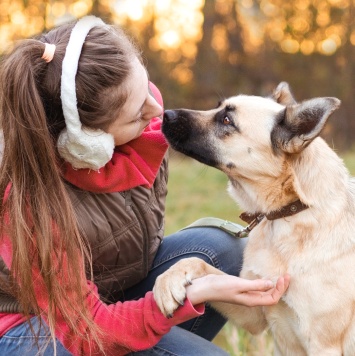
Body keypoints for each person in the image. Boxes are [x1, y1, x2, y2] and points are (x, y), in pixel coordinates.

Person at [0, 16, 289, 356]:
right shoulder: (25, 199)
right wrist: (193, 292)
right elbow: (89, 331)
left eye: (147, 86)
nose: (157, 110)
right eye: (138, 112)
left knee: (219, 248)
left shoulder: (146, 124)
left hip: (104, 295)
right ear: (86, 142)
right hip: (35, 326)